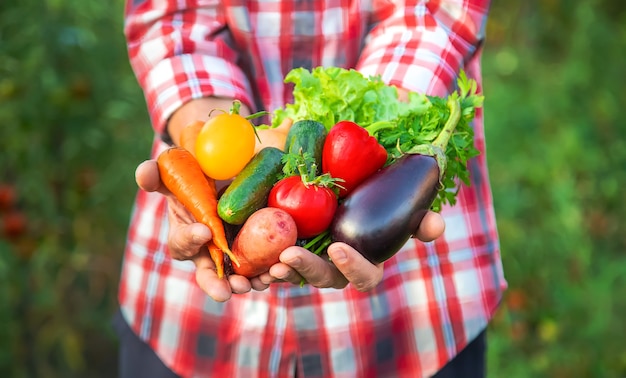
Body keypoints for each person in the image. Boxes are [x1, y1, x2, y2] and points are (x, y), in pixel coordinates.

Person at [114, 0, 507, 377]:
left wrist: (386, 159)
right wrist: (208, 140)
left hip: (412, 305)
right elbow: (172, 19)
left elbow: (430, 14)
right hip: (188, 321)